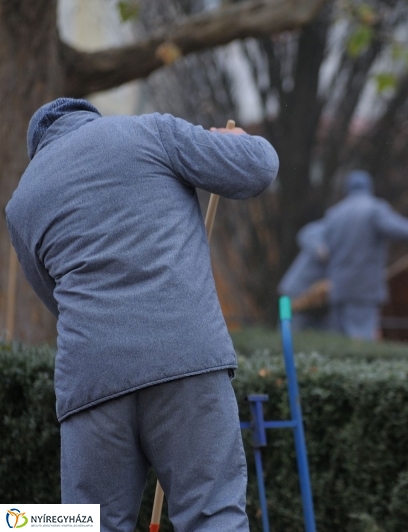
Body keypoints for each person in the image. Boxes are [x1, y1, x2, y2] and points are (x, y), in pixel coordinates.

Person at [5, 98, 279, 532]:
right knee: (213, 516)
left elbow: (55, 299)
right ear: (87, 117)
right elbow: (258, 169)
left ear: (40, 146)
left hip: (92, 379)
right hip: (185, 359)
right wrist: (239, 142)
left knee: (85, 525)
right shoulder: (149, 132)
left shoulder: (21, 204)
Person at [322, 170, 408, 341]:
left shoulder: (334, 214)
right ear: (369, 187)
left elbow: (322, 245)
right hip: (363, 287)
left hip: (338, 285)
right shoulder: (373, 209)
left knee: (338, 342)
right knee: (361, 341)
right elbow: (397, 227)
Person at [277, 220, 330, 330]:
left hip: (320, 301)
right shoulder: (333, 228)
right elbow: (307, 234)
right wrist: (322, 252)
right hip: (296, 291)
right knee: (290, 333)